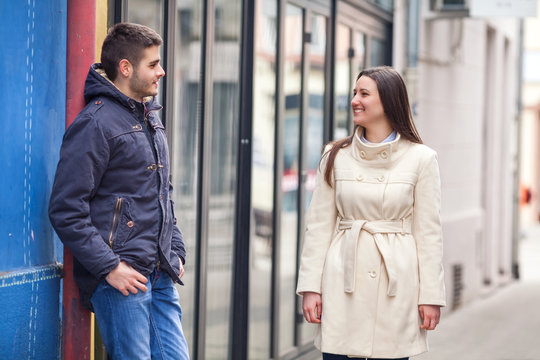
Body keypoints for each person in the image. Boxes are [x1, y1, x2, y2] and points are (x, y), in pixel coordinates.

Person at [49, 23, 189, 360]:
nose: (162, 71)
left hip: (159, 273)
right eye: (153, 64)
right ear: (125, 68)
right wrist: (110, 267)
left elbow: (161, 194)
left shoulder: (151, 118)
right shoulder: (95, 124)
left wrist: (176, 249)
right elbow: (66, 209)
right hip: (120, 281)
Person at [296, 66, 446, 360]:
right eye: (355, 93)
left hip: (396, 282)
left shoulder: (421, 159)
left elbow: (429, 234)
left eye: (364, 94)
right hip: (343, 278)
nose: (355, 100)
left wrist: (431, 296)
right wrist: (311, 288)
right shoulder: (335, 155)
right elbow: (318, 227)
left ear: (388, 101)